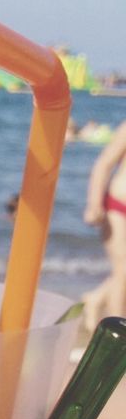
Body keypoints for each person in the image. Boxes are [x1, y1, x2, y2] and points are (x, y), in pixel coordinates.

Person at [82, 120, 126, 329]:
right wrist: (94, 204)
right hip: (118, 208)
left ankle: (95, 299)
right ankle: (119, 334)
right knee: (123, 271)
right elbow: (104, 163)